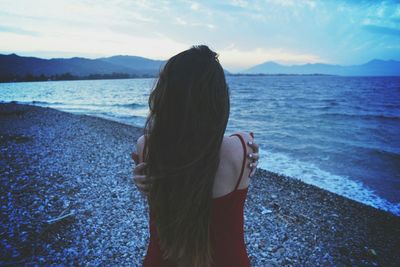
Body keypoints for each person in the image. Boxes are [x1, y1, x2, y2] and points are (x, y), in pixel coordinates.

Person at [131, 45, 259, 267]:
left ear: (165, 95)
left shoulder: (147, 147)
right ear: (218, 99)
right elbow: (241, 138)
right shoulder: (243, 148)